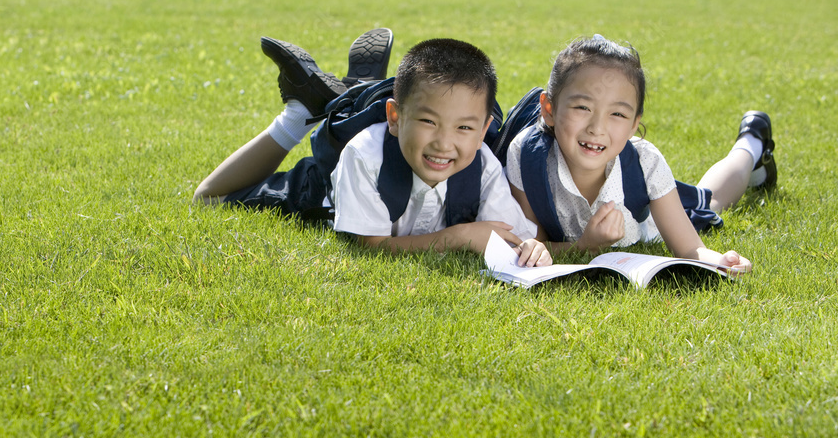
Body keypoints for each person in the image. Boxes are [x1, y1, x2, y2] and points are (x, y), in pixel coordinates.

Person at [194, 31, 552, 265]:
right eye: (428, 122)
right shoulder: (364, 156)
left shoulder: (483, 165)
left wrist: (530, 248)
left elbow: (509, 236)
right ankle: (302, 112)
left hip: (395, 126)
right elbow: (371, 246)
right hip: (317, 188)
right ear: (395, 118)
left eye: (464, 128)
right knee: (208, 198)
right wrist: (456, 237)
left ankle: (357, 88)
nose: (444, 143)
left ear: (483, 131)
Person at [505, 35, 775, 272]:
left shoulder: (645, 162)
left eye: (618, 114)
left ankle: (751, 144)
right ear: (549, 109)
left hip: (649, 220)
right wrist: (585, 246)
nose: (597, 128)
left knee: (709, 203)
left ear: (634, 124)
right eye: (582, 108)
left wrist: (720, 260)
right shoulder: (528, 156)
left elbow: (690, 249)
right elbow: (535, 243)